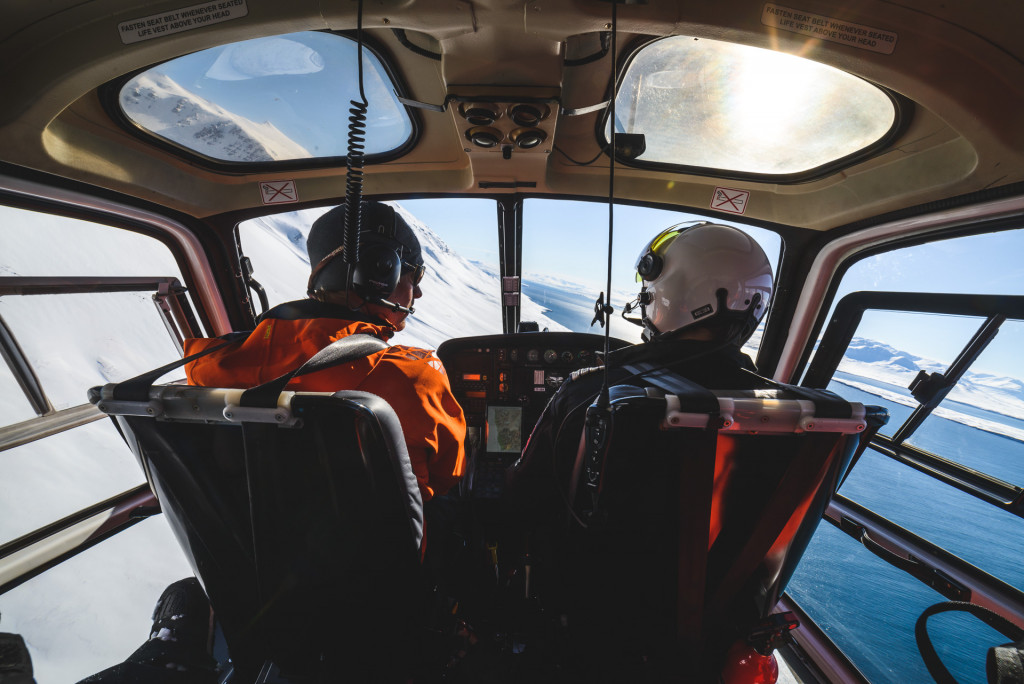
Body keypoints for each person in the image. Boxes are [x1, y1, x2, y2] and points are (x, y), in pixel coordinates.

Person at [184, 200, 466, 502]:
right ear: (381, 274)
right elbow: (451, 473)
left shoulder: (207, 367)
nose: (418, 292)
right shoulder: (413, 379)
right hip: (382, 547)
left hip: (249, 545)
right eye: (415, 277)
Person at [504, 221, 774, 522]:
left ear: (670, 294)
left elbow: (521, 498)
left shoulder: (590, 393)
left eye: (645, 294)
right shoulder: (777, 413)